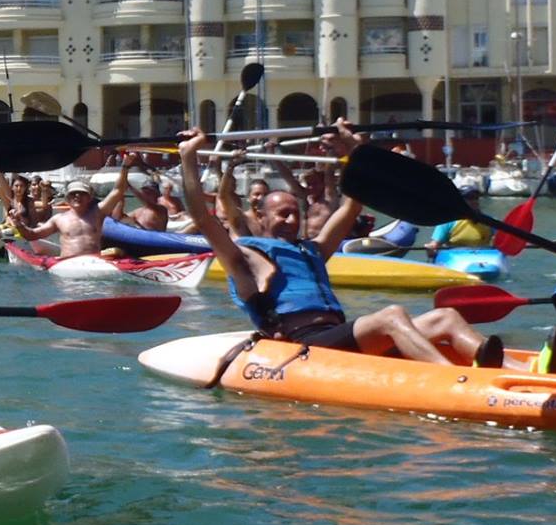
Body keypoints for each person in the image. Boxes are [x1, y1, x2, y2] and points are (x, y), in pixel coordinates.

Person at [177, 129, 503, 366]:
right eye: (283, 214)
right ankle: (450, 378)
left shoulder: (313, 250)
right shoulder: (243, 256)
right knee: (391, 315)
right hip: (301, 343)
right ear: (260, 216)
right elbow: (203, 218)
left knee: (446, 316)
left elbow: (351, 206)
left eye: (296, 213)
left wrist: (357, 149)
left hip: (337, 334)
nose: (293, 219)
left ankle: (522, 370)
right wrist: (188, 157)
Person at [110, 156, 173, 232]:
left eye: (149, 193)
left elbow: (147, 202)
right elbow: (118, 217)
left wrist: (129, 187)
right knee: (124, 218)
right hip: (138, 239)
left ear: (156, 195)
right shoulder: (138, 212)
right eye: (145, 192)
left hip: (154, 241)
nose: (146, 195)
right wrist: (120, 196)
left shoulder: (162, 210)